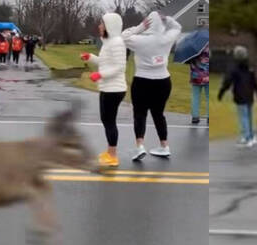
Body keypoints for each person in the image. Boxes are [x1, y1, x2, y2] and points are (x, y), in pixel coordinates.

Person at [121, 11, 182, 161]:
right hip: (163, 81)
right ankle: (164, 145)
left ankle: (140, 146)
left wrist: (140, 27)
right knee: (158, 114)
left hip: (142, 80)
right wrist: (166, 18)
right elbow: (177, 27)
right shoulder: (167, 39)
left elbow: (123, 36)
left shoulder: (140, 40)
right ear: (160, 25)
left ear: (148, 23)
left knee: (140, 114)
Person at [82, 13, 127, 168]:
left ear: (110, 25)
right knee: (106, 120)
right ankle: (110, 152)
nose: (99, 26)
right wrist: (90, 57)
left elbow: (120, 67)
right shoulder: (109, 43)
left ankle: (113, 156)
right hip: (108, 87)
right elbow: (104, 62)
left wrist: (100, 74)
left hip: (115, 89)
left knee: (109, 121)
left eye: (102, 23)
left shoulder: (117, 43)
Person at [218, 46, 257, 148]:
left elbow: (227, 82)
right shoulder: (250, 67)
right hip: (250, 95)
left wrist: (221, 92)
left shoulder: (234, 68)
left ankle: (247, 138)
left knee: (244, 117)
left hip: (240, 95)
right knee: (250, 117)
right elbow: (255, 82)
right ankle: (252, 136)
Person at [189, 47, 210, 125]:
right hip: (207, 76)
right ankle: (209, 117)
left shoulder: (193, 49)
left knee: (195, 97)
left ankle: (195, 117)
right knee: (209, 97)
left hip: (195, 76)